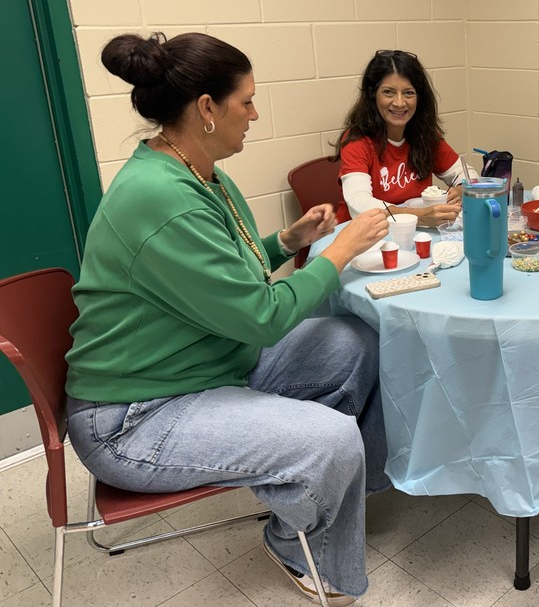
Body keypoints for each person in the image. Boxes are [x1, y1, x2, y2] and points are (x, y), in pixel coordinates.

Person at [65, 32, 390, 606]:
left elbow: (220, 279)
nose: (256, 114)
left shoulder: (198, 169)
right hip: (134, 416)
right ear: (207, 108)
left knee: (357, 341)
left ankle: (314, 493)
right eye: (246, 101)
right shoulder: (161, 198)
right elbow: (262, 316)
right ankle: (302, 543)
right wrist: (338, 252)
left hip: (206, 367)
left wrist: (285, 240)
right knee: (333, 438)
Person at [334, 49, 476, 226]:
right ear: (373, 95)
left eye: (409, 93)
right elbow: (359, 203)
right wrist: (418, 216)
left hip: (411, 233)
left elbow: (468, 175)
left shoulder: (426, 135)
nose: (400, 102)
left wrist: (463, 189)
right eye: (388, 92)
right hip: (361, 234)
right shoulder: (357, 141)